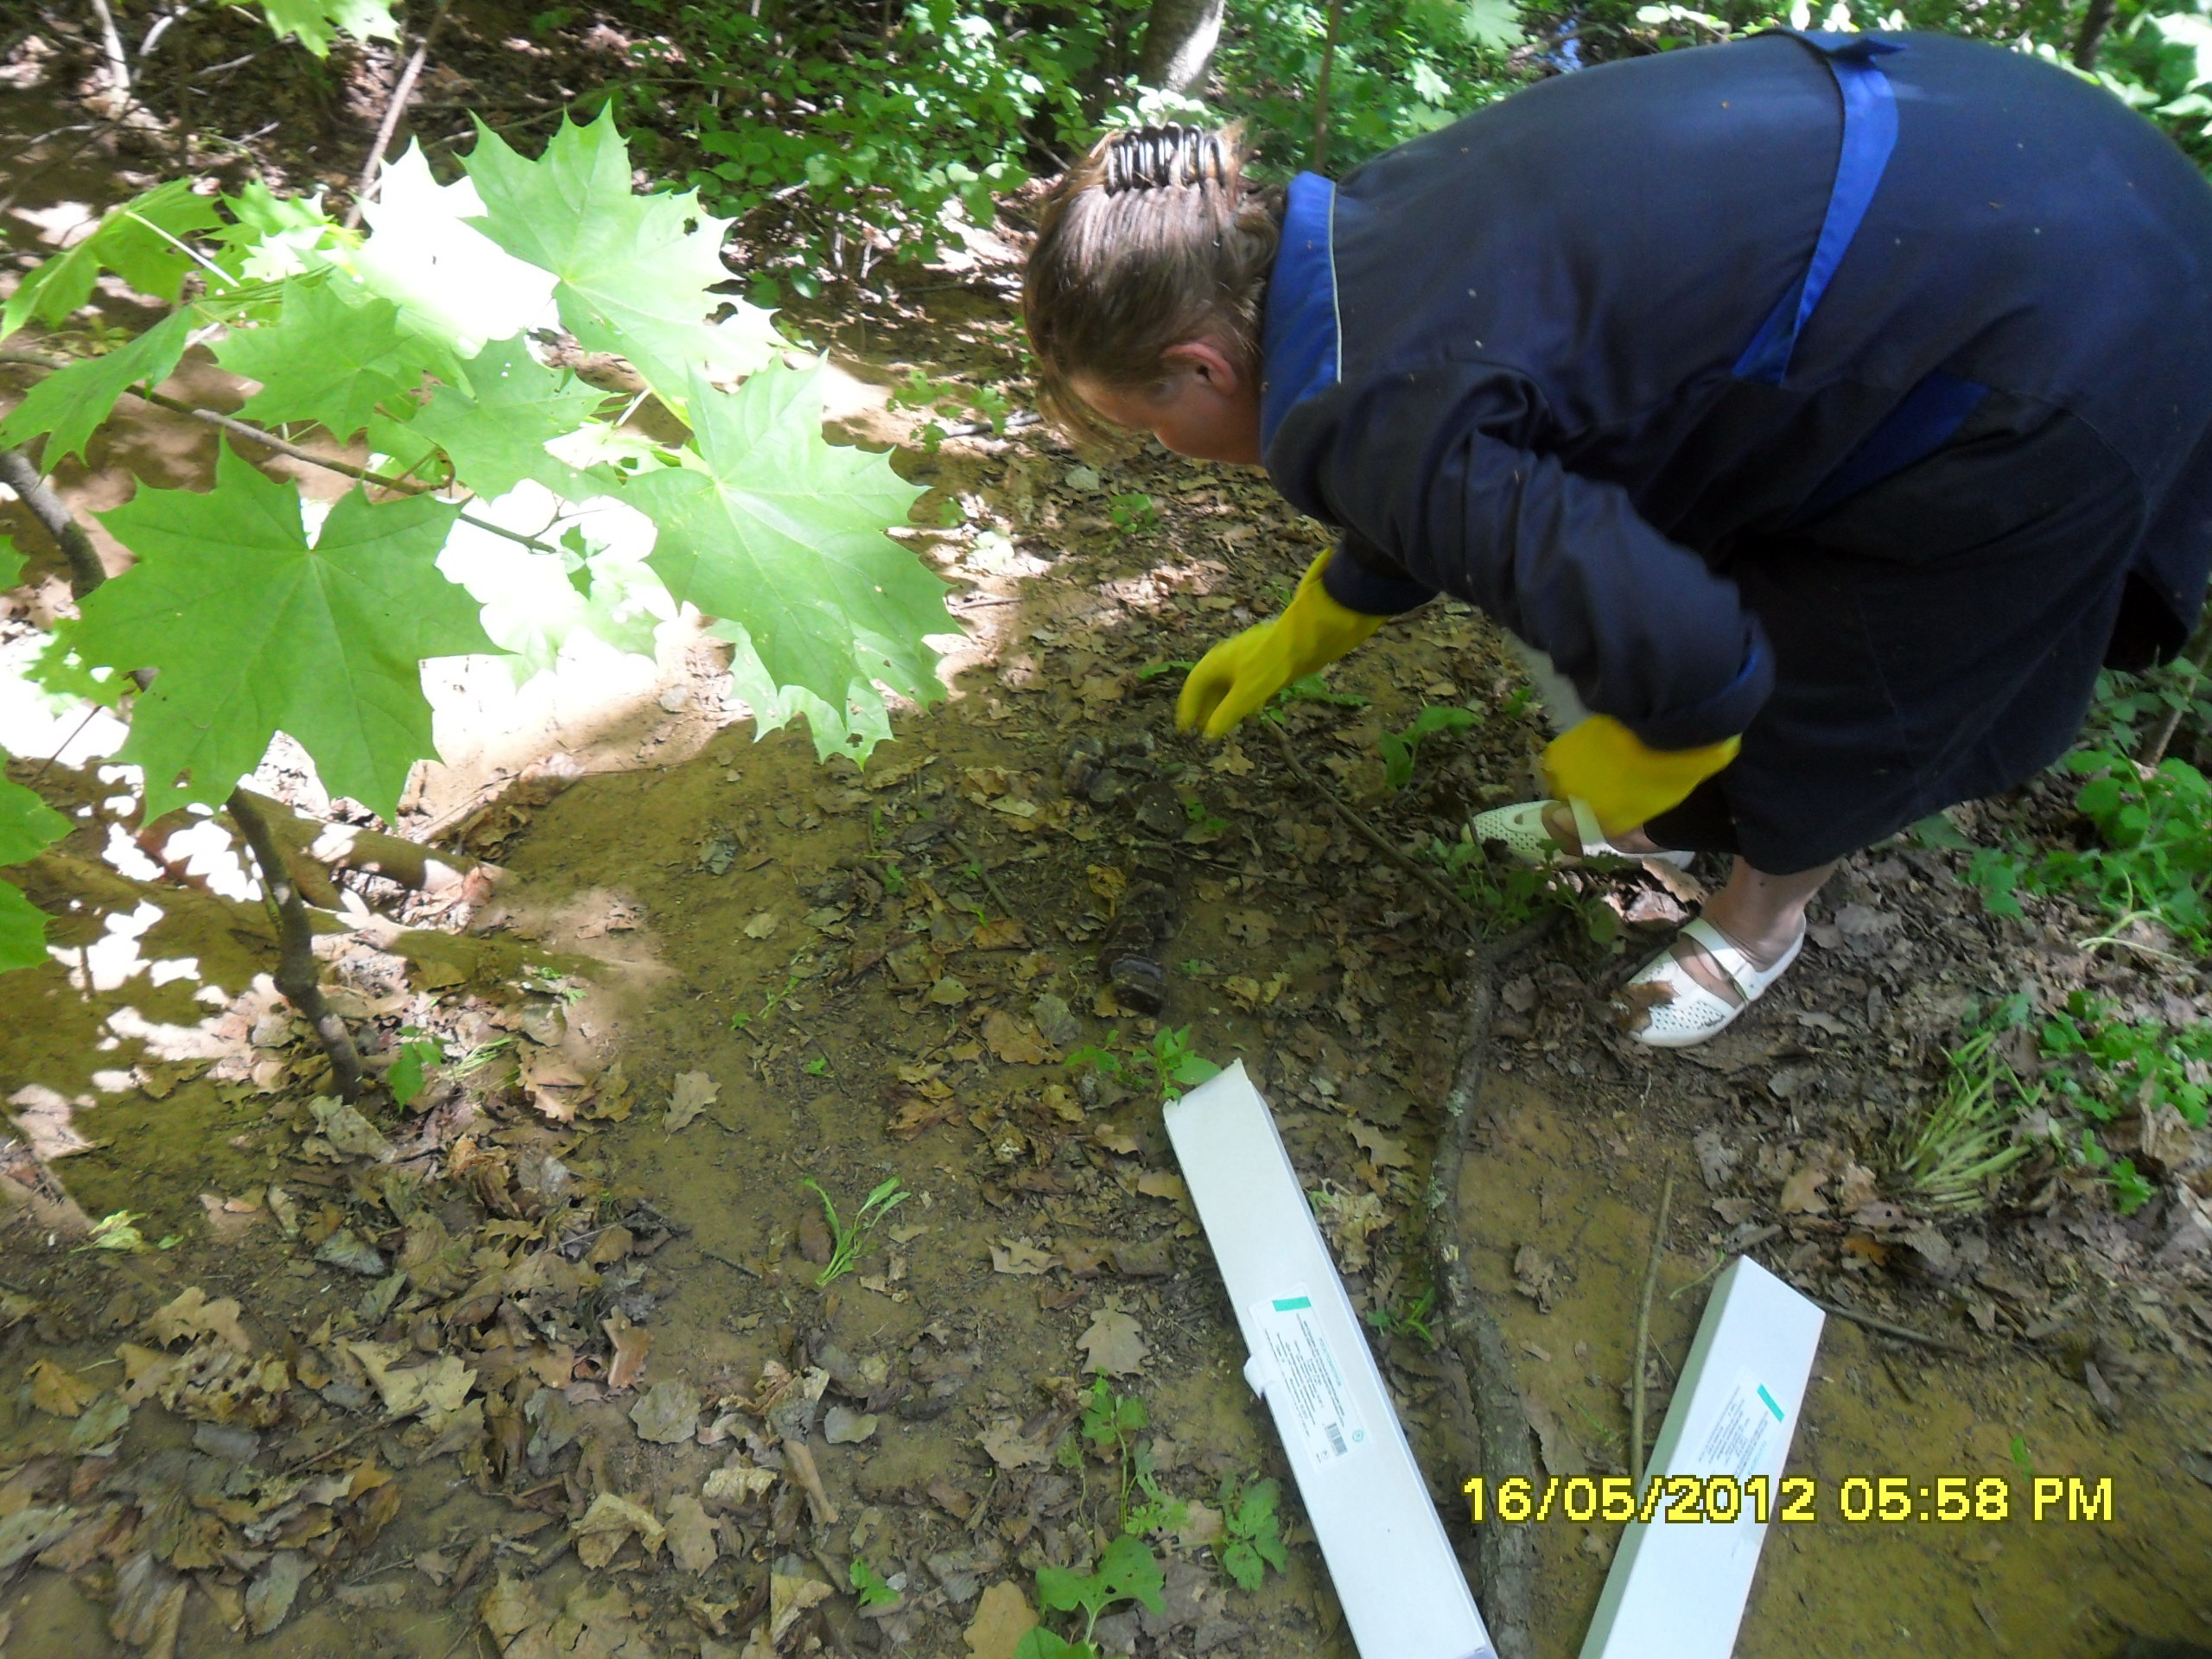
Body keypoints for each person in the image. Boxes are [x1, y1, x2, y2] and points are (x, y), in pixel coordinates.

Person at [1020, 30, 2212, 1047]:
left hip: (2070, 328)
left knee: (1845, 681)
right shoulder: (1349, 242)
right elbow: (1456, 434)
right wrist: (1317, 619)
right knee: (1719, 578)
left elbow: (1699, 660)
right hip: (2018, 161)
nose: (1168, 451)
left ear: (1200, 366)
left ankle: (1761, 924)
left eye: (1148, 428)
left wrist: (1648, 763)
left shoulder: (1363, 406)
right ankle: (1676, 838)